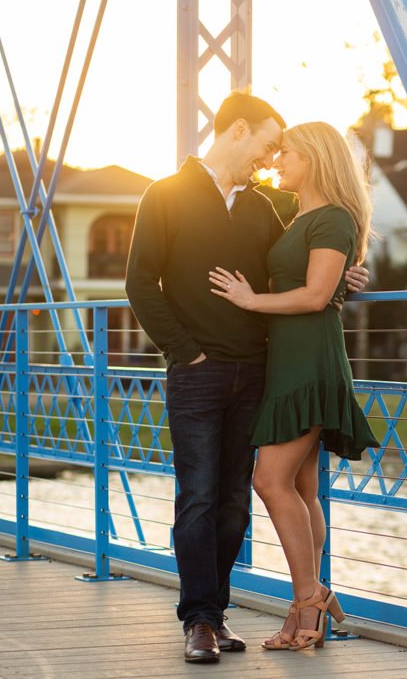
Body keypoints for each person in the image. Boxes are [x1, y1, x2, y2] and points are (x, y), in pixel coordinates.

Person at [125, 93, 368, 664]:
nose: (271, 157)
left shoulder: (264, 209)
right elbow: (141, 284)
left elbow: (299, 268)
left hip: (262, 373)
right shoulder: (164, 195)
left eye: (281, 151)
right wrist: (185, 353)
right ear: (238, 130)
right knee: (199, 496)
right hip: (198, 371)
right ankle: (199, 620)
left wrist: (342, 280)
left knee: (237, 499)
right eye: (267, 144)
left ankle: (223, 610)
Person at [208, 121, 380, 651]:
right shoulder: (299, 216)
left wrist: (249, 300)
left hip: (309, 362)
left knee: (269, 480)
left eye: (286, 154)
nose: (276, 161)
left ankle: (309, 598)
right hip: (288, 361)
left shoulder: (332, 218)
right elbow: (317, 280)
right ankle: (306, 606)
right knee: (302, 487)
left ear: (315, 158)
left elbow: (312, 296)